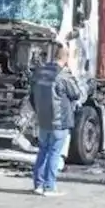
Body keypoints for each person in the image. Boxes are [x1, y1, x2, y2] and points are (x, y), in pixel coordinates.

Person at [29, 44, 80, 197]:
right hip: (60, 121)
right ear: (65, 58)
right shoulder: (63, 75)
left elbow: (32, 95)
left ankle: (38, 185)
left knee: (43, 151)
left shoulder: (40, 72)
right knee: (54, 153)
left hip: (43, 119)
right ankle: (49, 187)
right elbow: (76, 93)